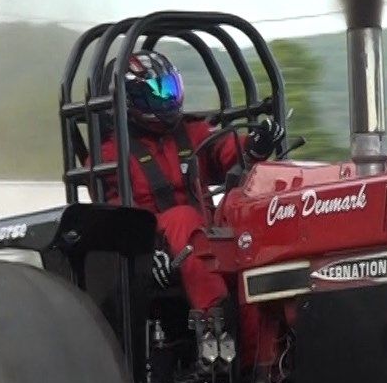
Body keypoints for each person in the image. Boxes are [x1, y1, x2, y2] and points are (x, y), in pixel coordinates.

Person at [96, 50, 280, 357]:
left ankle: (262, 365)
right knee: (183, 218)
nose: (165, 98)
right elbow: (113, 212)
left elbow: (226, 151)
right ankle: (216, 318)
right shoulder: (111, 153)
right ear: (130, 100)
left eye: (170, 88)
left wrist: (255, 145)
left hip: (206, 235)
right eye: (156, 92)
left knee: (241, 209)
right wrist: (146, 248)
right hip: (156, 237)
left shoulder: (193, 132)